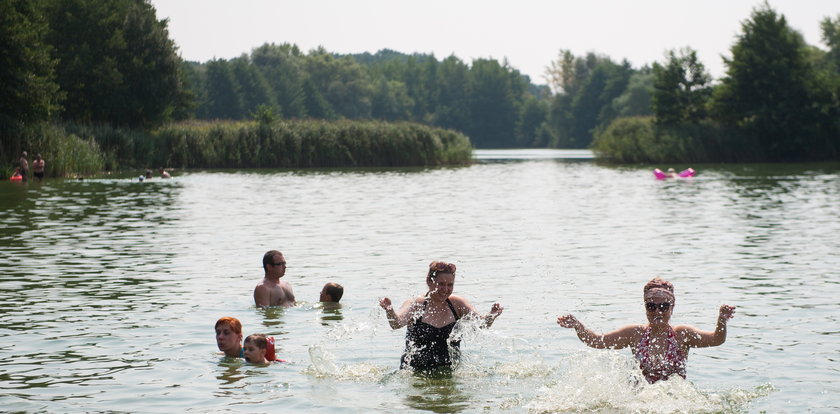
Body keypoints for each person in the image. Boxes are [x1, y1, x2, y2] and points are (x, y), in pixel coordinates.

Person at [556, 277, 736, 383]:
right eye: (651, 306)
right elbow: (597, 341)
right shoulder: (635, 334)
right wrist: (578, 327)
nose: (657, 311)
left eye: (664, 306)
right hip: (639, 399)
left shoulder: (682, 334)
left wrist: (721, 320)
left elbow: (716, 340)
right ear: (645, 307)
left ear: (672, 307)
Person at [379, 261, 504, 371]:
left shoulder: (457, 304)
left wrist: (492, 315)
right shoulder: (416, 304)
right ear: (429, 281)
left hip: (449, 372)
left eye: (450, 285)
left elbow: (482, 324)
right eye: (441, 284)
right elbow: (396, 323)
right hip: (415, 373)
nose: (445, 289)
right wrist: (389, 310)